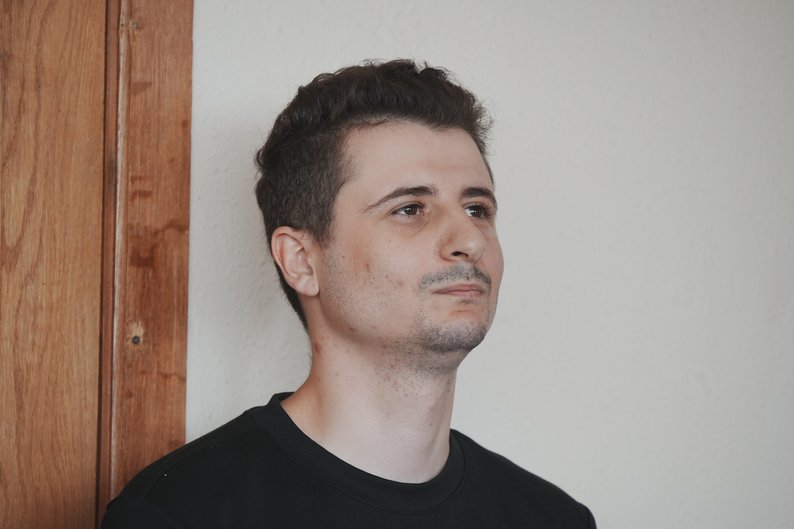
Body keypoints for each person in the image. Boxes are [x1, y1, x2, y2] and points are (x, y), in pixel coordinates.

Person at [102, 59, 596, 528]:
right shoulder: (181, 513)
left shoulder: (552, 519)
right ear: (301, 260)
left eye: (477, 209)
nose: (470, 240)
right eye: (409, 209)